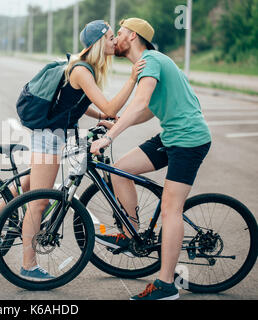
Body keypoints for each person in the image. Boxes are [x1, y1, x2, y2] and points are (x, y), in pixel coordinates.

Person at [0, 20, 146, 280]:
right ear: (97, 43)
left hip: (56, 135)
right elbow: (111, 107)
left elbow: (74, 102)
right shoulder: (81, 70)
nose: (113, 42)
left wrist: (99, 117)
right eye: (109, 38)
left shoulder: (86, 69)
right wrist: (132, 80)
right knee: (39, 202)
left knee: (30, 187)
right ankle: (28, 265)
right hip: (48, 138)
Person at [90, 18, 212, 300]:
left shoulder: (151, 60)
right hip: (171, 136)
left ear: (132, 36)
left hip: (189, 140)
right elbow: (149, 110)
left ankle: (166, 285)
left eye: (119, 34)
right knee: (118, 170)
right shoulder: (145, 65)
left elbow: (141, 103)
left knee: (171, 210)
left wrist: (110, 138)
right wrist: (118, 124)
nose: (115, 38)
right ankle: (130, 232)